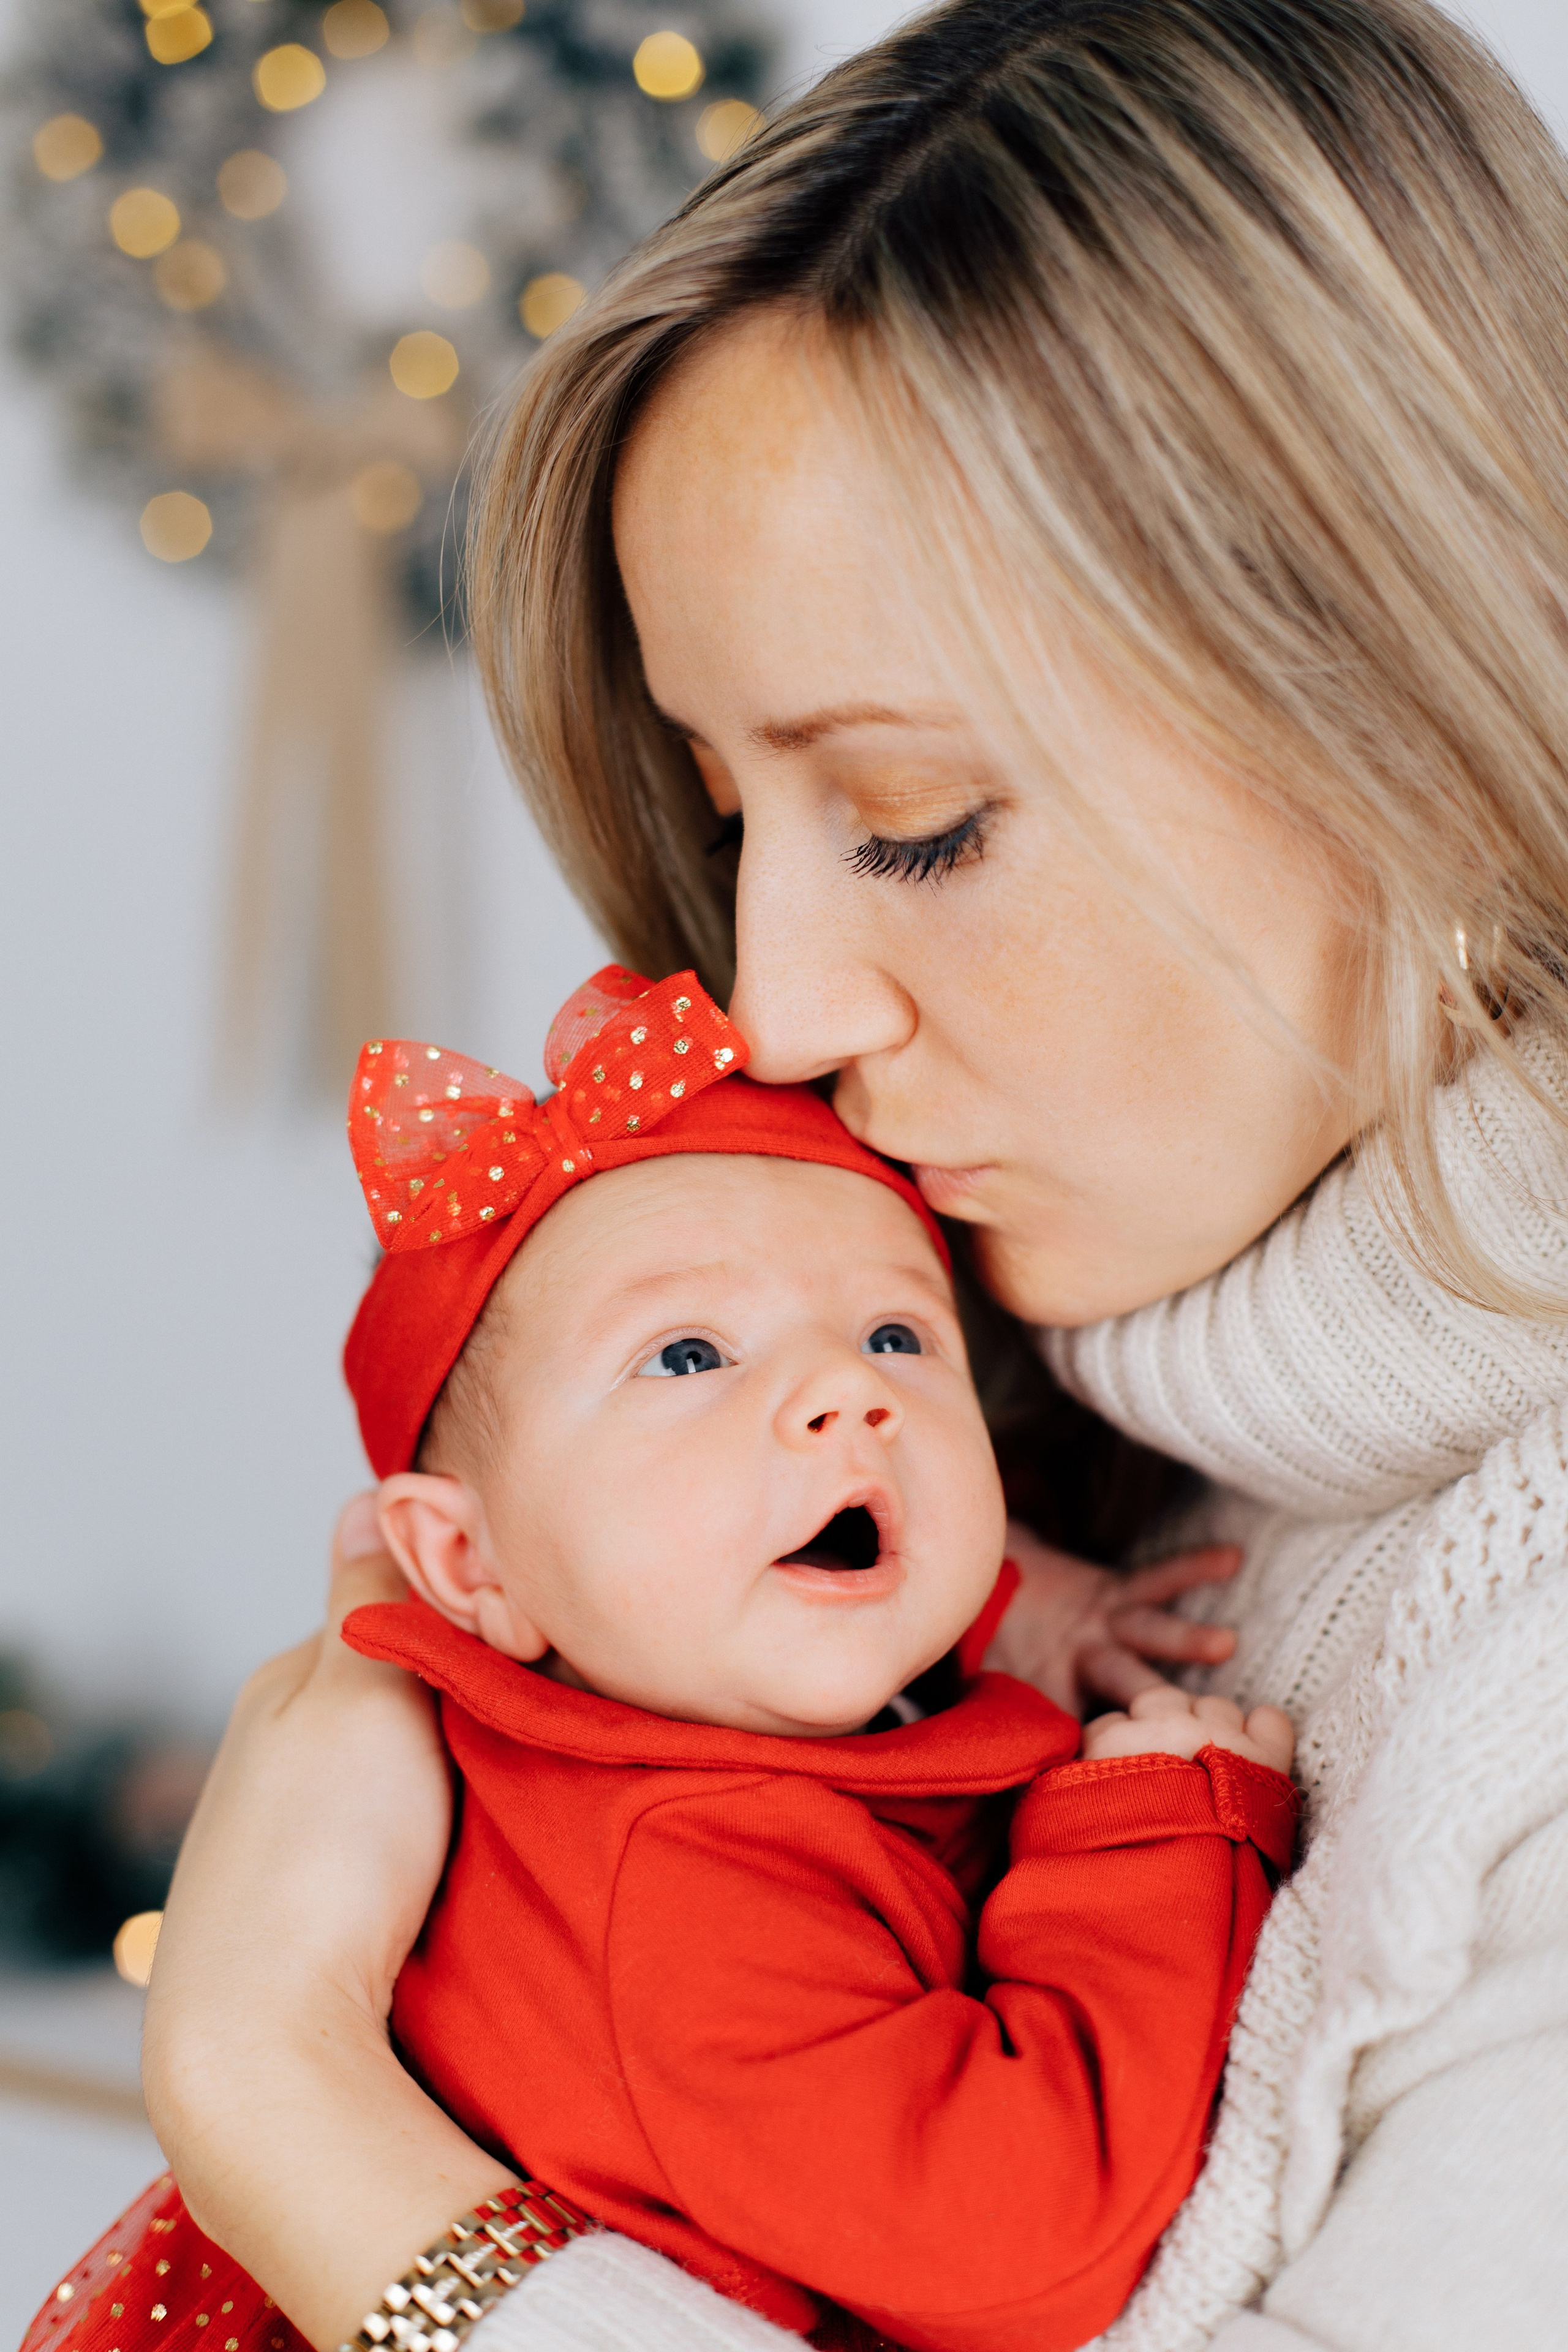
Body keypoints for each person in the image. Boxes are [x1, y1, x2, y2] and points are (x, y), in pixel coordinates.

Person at [136, 2, 1568, 2350]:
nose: (776, 1004)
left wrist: (290, 2107)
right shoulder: (1000, 1448)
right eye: (728, 816)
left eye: (915, 814)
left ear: (1403, 691)